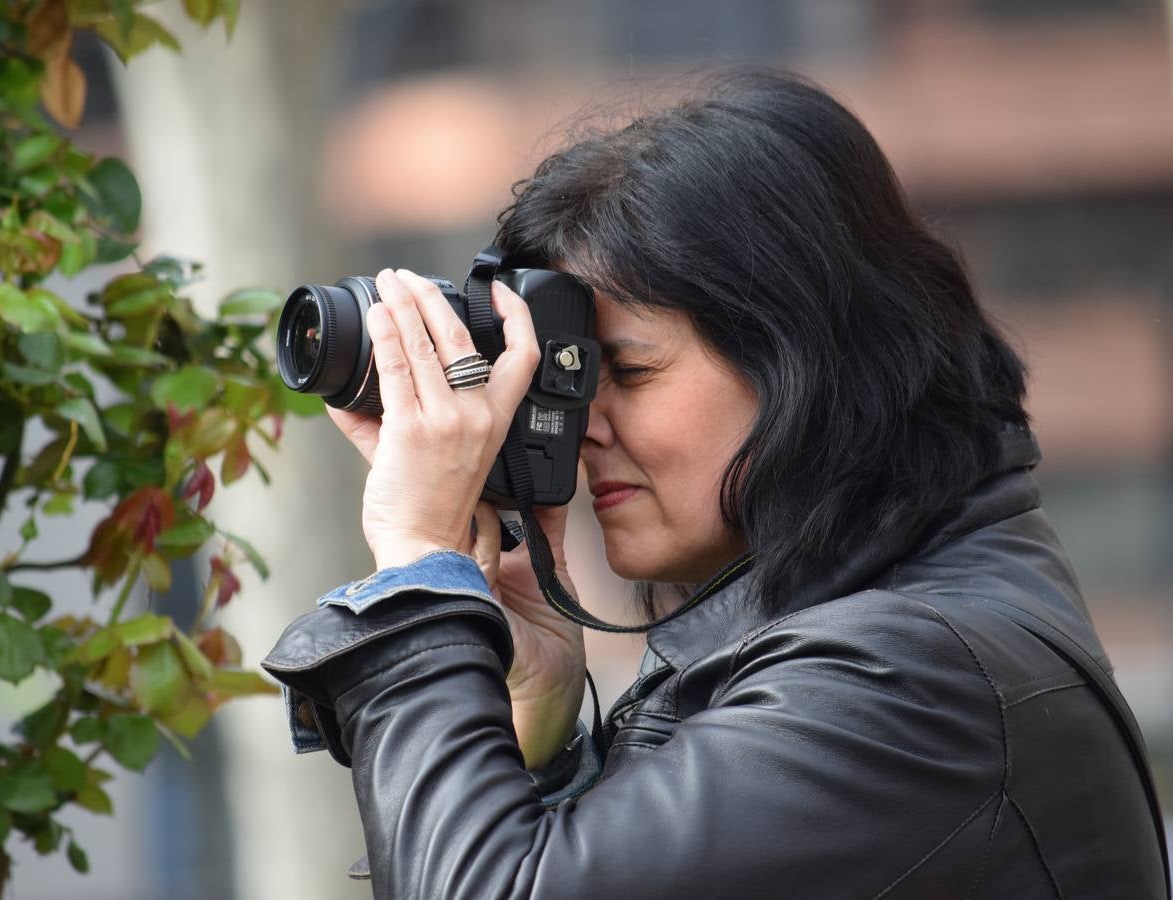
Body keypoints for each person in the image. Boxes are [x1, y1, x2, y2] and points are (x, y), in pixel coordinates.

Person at [261, 69, 1167, 898]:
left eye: (631, 371)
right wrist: (535, 730)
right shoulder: (859, 639)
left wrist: (420, 567)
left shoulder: (907, 681)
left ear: (807, 365)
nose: (585, 429)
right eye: (570, 382)